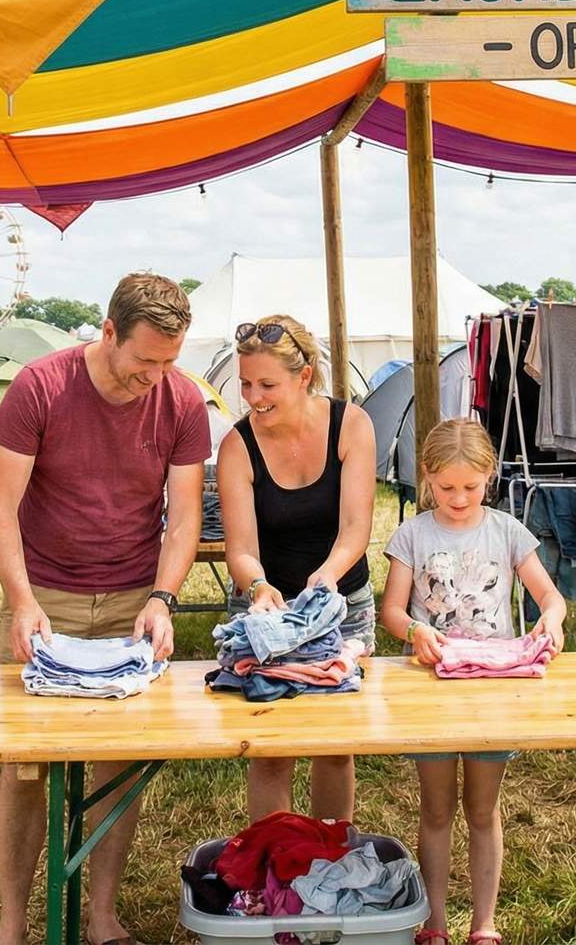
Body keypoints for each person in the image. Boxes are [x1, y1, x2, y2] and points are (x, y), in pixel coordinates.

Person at [0, 272, 211, 945]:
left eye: (169, 361)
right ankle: (12, 923)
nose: (156, 375)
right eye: (145, 359)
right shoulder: (40, 386)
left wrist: (164, 599)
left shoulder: (183, 399)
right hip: (44, 594)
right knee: (25, 766)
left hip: (133, 596)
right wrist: (21, 600)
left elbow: (184, 517)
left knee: (119, 764)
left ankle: (102, 915)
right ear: (107, 332)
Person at [378, 419, 566, 945]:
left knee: (482, 810)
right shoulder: (411, 535)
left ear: (490, 477)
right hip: (433, 689)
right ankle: (434, 922)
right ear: (426, 479)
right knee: (435, 809)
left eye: (470, 487)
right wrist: (415, 629)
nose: (458, 498)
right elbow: (391, 610)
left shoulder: (507, 532)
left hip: (492, 691)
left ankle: (484, 924)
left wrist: (551, 621)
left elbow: (551, 598)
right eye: (445, 488)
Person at [216, 314, 377, 823]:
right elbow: (240, 549)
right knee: (270, 747)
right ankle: (274, 861)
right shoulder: (237, 446)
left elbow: (356, 527)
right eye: (245, 383)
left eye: (267, 384)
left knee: (335, 747)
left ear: (304, 376)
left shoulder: (351, 424)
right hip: (265, 618)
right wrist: (259, 586)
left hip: (344, 610)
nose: (252, 396)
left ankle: (331, 852)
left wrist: (325, 578)